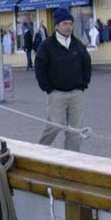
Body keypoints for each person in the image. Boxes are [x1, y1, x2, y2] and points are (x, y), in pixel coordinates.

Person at [35, 8, 92, 152]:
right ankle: (38, 151)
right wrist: (47, 88)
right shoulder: (47, 46)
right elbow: (40, 68)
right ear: (57, 26)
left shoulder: (77, 45)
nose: (68, 27)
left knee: (75, 131)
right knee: (54, 126)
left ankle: (72, 158)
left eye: (70, 24)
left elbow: (87, 64)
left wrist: (83, 84)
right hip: (56, 93)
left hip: (76, 93)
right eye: (65, 23)